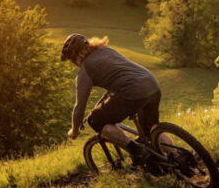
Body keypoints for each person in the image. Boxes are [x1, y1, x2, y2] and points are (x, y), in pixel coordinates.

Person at [62, 34, 182, 168]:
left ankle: (137, 151)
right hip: (151, 84)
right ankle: (179, 157)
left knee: (95, 120)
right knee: (151, 129)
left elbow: (80, 106)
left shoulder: (85, 70)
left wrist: (75, 129)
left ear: (74, 58)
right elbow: (121, 72)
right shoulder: (106, 49)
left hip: (133, 92)